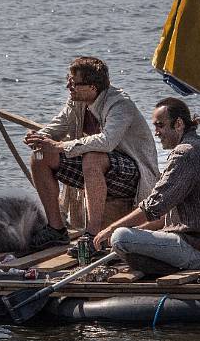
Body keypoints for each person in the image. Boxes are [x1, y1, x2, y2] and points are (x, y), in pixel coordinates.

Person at [23, 57, 158, 252]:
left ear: (92, 88)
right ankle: (56, 229)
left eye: (74, 83)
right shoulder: (77, 101)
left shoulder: (120, 104)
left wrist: (60, 146)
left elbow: (107, 141)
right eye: (68, 79)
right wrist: (39, 138)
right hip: (99, 167)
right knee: (40, 156)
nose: (68, 86)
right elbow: (57, 126)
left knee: (92, 157)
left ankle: (92, 235)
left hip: (135, 173)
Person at [93, 97, 200, 275]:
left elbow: (153, 207)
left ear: (178, 124)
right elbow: (163, 213)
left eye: (160, 125)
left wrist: (110, 229)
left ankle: (166, 269)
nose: (156, 132)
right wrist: (139, 231)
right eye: (155, 126)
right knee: (130, 235)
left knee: (120, 237)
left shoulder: (185, 153)